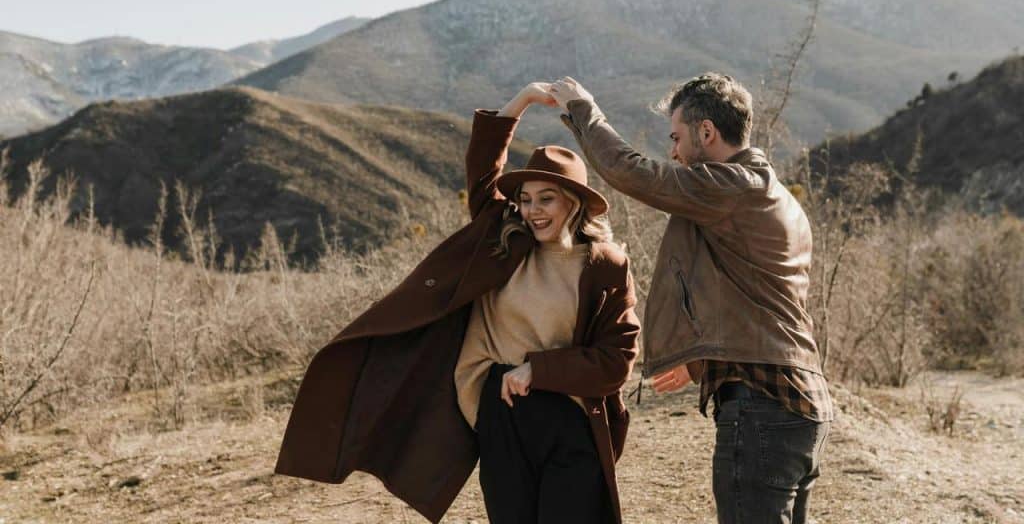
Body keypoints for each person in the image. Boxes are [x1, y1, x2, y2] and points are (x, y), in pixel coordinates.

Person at [274, 82, 640, 524]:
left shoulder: (605, 264)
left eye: (547, 199)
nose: (533, 211)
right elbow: (483, 169)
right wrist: (520, 101)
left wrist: (539, 371)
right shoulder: (503, 237)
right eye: (525, 199)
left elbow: (616, 360)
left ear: (575, 204)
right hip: (500, 412)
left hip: (570, 418)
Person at [546, 74, 833, 524]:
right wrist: (700, 360)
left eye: (677, 137)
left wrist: (584, 109)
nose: (674, 152)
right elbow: (754, 302)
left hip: (761, 408)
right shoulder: (770, 194)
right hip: (796, 403)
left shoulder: (731, 186)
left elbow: (633, 172)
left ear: (707, 133)